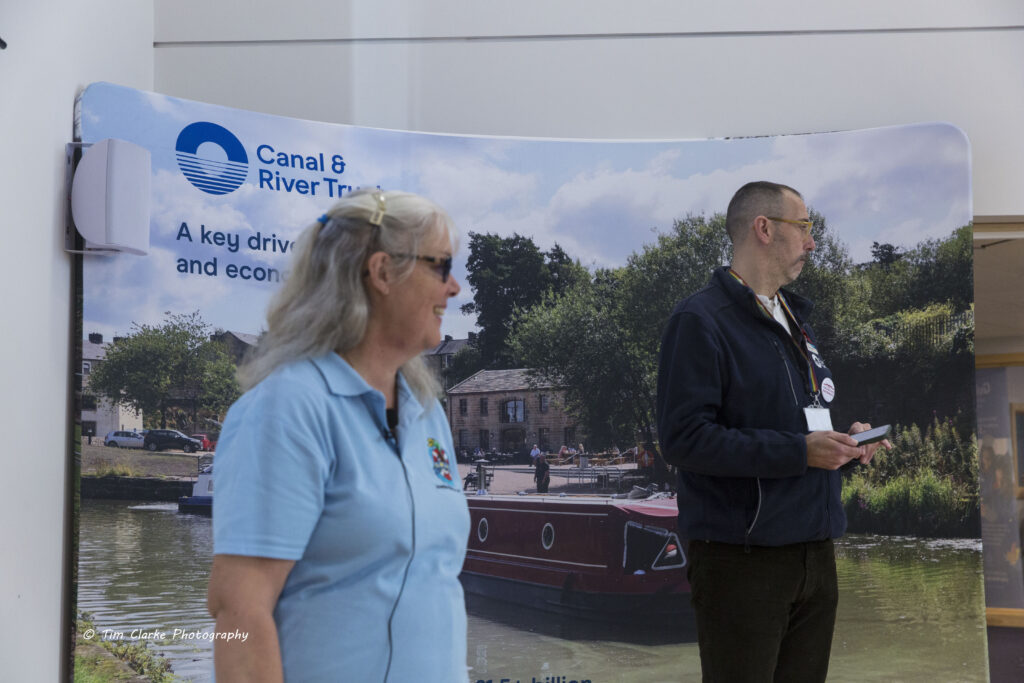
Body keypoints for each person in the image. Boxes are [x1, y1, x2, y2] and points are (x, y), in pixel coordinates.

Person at [206, 189, 468, 682]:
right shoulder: (289, 409)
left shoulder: (427, 414)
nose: (453, 287)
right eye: (440, 266)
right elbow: (239, 612)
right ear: (383, 272)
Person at [656, 181, 890, 683]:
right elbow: (684, 439)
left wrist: (844, 446)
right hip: (742, 563)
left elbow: (802, 423)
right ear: (763, 228)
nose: (811, 242)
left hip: (814, 552)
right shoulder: (699, 321)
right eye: (804, 227)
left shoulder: (797, 322)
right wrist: (799, 452)